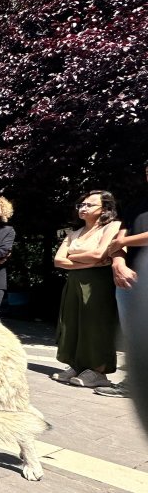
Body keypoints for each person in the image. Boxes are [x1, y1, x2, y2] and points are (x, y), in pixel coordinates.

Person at [52, 190, 122, 388]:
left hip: (98, 282)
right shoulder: (74, 232)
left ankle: (98, 370)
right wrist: (88, 260)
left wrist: (73, 254)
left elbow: (100, 254)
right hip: (74, 281)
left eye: (89, 205)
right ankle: (78, 365)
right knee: (71, 323)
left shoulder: (112, 226)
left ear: (105, 208)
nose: (83, 208)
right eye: (81, 205)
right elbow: (58, 260)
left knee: (95, 324)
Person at [100, 164, 148, 397]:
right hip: (130, 280)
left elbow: (121, 241)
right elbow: (118, 241)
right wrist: (118, 265)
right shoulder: (135, 206)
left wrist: (121, 244)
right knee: (135, 336)